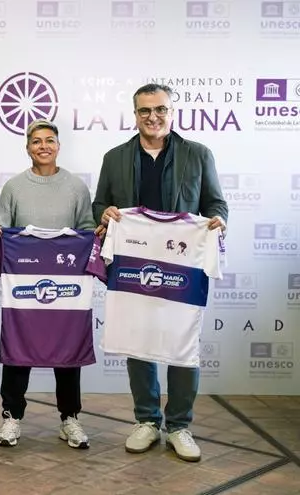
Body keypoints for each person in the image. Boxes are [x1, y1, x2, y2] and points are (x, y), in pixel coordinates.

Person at [92, 83, 227, 462]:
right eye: (145, 111)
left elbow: (216, 203)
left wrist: (218, 221)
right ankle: (147, 420)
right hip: (135, 264)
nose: (153, 117)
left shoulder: (198, 154)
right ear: (135, 115)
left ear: (171, 112)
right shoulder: (115, 157)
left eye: (160, 109)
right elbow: (100, 203)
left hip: (183, 265)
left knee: (183, 342)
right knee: (139, 340)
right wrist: (104, 213)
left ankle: (180, 425)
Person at [0, 119, 96, 449]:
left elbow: (87, 231)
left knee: (68, 348)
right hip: (24, 283)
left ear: (58, 146)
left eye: (49, 140)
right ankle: (11, 417)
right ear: (27, 147)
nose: (43, 146)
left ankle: (70, 418)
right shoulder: (14, 187)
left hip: (66, 284)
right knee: (18, 348)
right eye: (36, 141)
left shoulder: (76, 187)